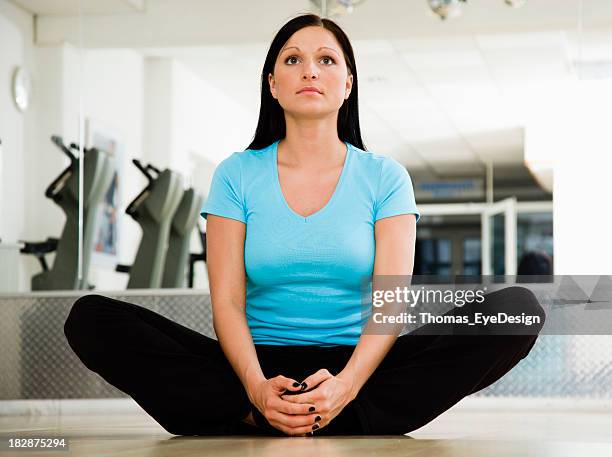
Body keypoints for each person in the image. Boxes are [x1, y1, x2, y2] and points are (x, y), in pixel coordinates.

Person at [63, 13, 546, 437]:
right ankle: (261, 414)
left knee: (519, 309)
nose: (310, 69)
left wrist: (346, 386)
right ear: (272, 83)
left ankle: (331, 412)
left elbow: (389, 307)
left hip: (359, 371)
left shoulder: (385, 177)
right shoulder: (237, 174)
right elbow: (227, 303)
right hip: (255, 369)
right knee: (91, 318)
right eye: (293, 59)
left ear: (349, 83)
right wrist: (254, 389)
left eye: (327, 60)